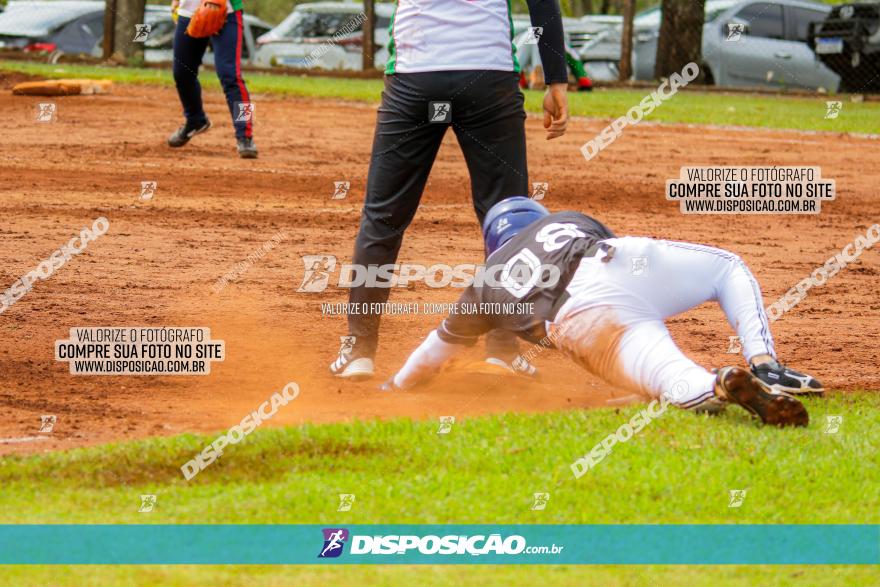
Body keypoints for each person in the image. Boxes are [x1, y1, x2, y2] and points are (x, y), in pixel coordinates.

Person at [380, 197, 822, 427]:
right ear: (537, 219)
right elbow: (628, 285)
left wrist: (397, 385)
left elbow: (430, 355)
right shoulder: (565, 218)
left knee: (673, 381)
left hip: (582, 318)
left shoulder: (486, 281)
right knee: (728, 268)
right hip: (617, 257)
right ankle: (766, 363)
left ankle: (714, 385)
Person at [331, 0, 571, 380]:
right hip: (487, 78)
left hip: (415, 77)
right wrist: (556, 79)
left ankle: (359, 349)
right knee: (510, 220)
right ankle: (503, 349)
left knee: (383, 217)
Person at [168, 0, 257, 158]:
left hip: (227, 12)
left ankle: (246, 136)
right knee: (182, 74)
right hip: (189, 11)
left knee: (231, 76)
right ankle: (196, 120)